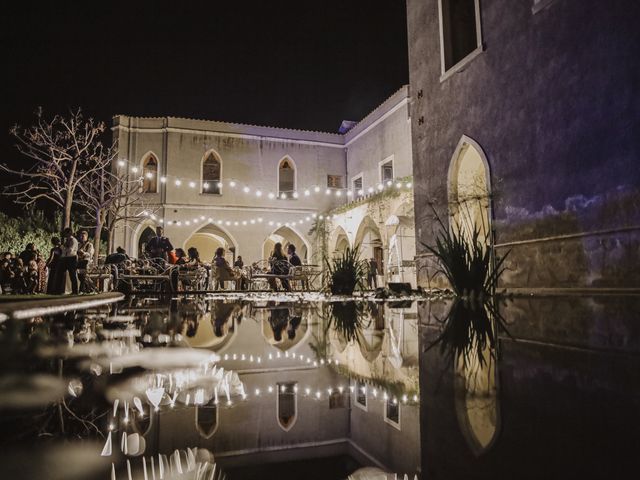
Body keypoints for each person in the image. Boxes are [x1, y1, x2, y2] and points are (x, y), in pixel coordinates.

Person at [56, 227, 79, 294]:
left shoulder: (73, 240)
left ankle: (75, 291)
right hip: (65, 258)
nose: (64, 234)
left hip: (72, 258)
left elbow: (70, 250)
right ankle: (58, 290)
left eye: (65, 233)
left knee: (72, 275)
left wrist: (62, 247)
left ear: (69, 233)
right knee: (60, 273)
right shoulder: (67, 240)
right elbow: (65, 250)